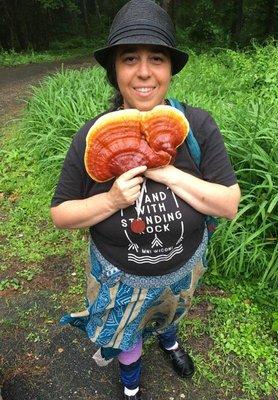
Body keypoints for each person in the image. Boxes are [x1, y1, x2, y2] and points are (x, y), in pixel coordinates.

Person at [50, 1, 241, 399]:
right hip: (120, 276)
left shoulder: (197, 126)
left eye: (156, 58)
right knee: (128, 328)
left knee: (170, 309)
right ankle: (132, 378)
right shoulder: (92, 136)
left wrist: (164, 170)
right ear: (114, 71)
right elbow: (62, 214)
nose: (143, 72)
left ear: (170, 69)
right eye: (129, 58)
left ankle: (169, 339)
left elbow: (227, 204)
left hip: (183, 268)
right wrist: (112, 199)